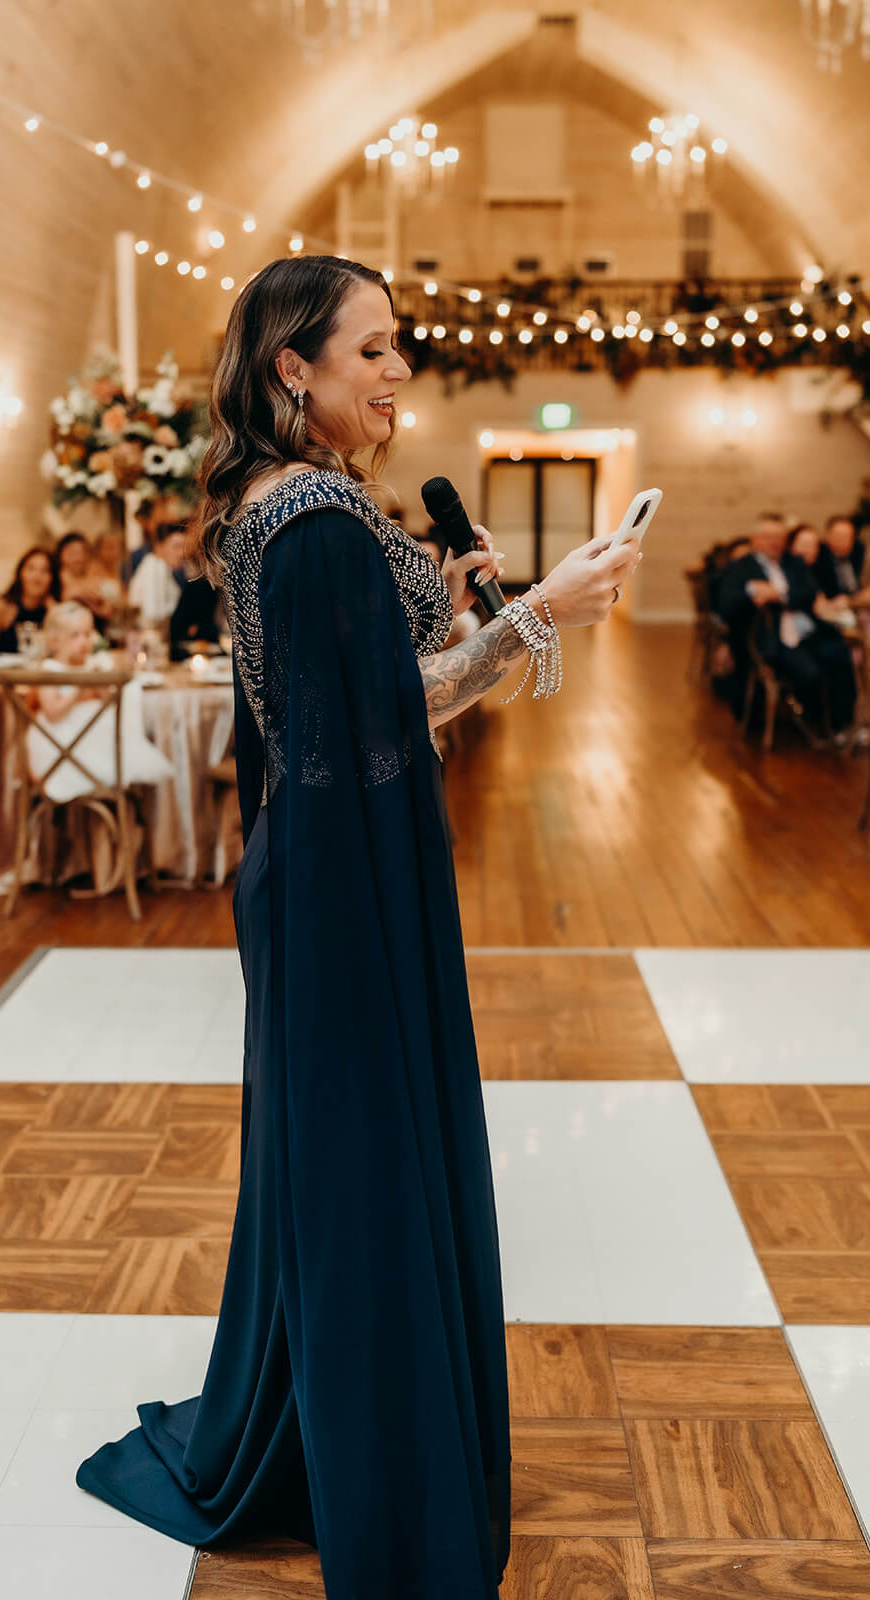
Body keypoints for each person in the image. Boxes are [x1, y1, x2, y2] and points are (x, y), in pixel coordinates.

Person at [75, 255, 639, 1599]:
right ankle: (382, 1480)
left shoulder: (283, 504)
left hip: (320, 868)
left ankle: (323, 1436)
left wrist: (459, 610)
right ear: (294, 368)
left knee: (335, 1159)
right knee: (361, 1167)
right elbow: (367, 729)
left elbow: (358, 698)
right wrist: (533, 620)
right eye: (372, 349)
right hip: (344, 885)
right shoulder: (316, 519)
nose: (395, 372)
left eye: (397, 349)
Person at [718, 511, 856, 736]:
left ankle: (842, 725)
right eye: (768, 537)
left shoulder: (793, 563)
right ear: (755, 539)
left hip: (806, 633)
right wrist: (752, 593)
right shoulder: (742, 567)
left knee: (840, 653)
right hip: (770, 640)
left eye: (779, 537)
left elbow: (809, 592)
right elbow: (726, 605)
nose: (774, 543)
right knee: (810, 672)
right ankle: (814, 722)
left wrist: (779, 594)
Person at [25, 602, 173, 801]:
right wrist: (78, 689)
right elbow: (53, 714)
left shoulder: (94, 664)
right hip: (61, 745)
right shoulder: (49, 670)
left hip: (95, 739)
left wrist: (102, 684)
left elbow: (110, 702)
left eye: (87, 634)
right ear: (55, 640)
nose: (83, 641)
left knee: (121, 741)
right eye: (75, 636)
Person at [0, 547, 55, 654]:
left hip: (42, 670)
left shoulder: (53, 610)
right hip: (3, 670)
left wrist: (55, 613)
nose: (37, 577)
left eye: (44, 571)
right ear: (20, 573)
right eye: (31, 569)